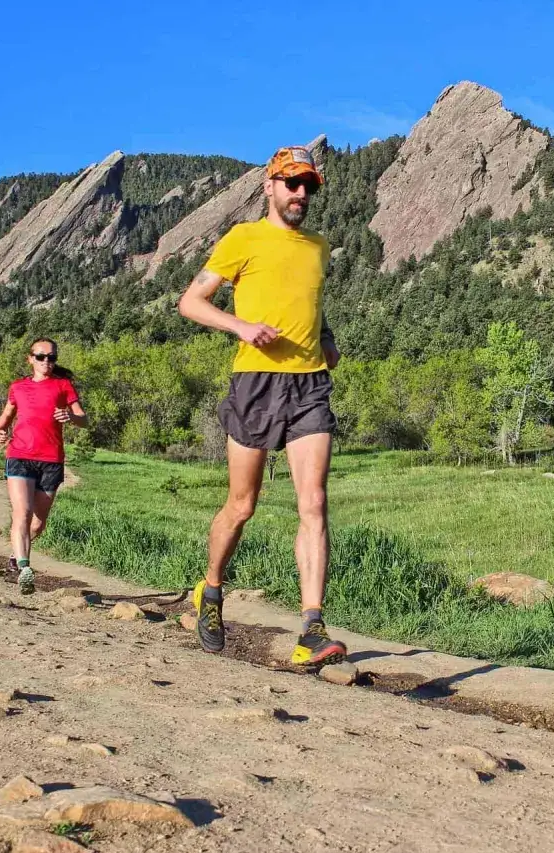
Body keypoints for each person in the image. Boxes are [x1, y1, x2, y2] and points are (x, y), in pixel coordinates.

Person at [177, 145, 346, 667]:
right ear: (269, 187)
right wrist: (243, 327)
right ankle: (211, 590)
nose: (301, 194)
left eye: (309, 186)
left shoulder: (319, 246)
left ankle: (312, 629)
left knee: (313, 502)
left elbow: (308, 305)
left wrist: (326, 338)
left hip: (310, 385)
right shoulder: (243, 238)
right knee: (242, 505)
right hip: (255, 383)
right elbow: (191, 302)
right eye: (292, 184)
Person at [0, 338, 87, 594]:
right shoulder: (18, 387)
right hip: (20, 455)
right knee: (21, 512)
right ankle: (25, 568)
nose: (47, 362)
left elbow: (84, 419)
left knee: (37, 524)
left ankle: (15, 554)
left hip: (51, 460)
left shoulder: (63, 385)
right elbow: (4, 419)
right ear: (30, 358)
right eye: (41, 357)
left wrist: (71, 417)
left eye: (52, 357)